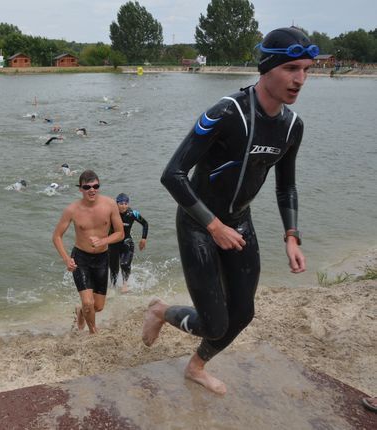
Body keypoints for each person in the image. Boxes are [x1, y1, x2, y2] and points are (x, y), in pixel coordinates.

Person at [142, 27, 313, 395]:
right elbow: (172, 174)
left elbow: (287, 185)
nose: (299, 79)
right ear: (267, 68)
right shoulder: (227, 112)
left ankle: (196, 366)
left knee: (244, 314)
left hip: (239, 224)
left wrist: (292, 236)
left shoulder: (291, 127)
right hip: (198, 223)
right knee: (215, 323)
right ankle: (161, 310)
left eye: (306, 70)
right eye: (291, 68)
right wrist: (213, 225)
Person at [52, 170, 124, 334]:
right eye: (87, 187)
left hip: (101, 258)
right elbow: (56, 237)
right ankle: (93, 332)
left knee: (97, 306)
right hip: (81, 258)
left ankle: (81, 311)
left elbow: (120, 233)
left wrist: (103, 241)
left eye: (95, 186)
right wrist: (66, 259)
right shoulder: (72, 210)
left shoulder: (110, 204)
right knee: (88, 303)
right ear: (81, 189)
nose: (92, 190)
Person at [108, 193, 148, 293]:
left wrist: (143, 239)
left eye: (126, 203)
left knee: (125, 264)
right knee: (113, 268)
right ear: (116, 204)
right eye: (121, 203)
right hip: (113, 243)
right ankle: (112, 287)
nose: (124, 206)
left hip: (126, 242)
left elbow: (145, 224)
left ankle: (125, 285)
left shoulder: (133, 213)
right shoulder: (111, 213)